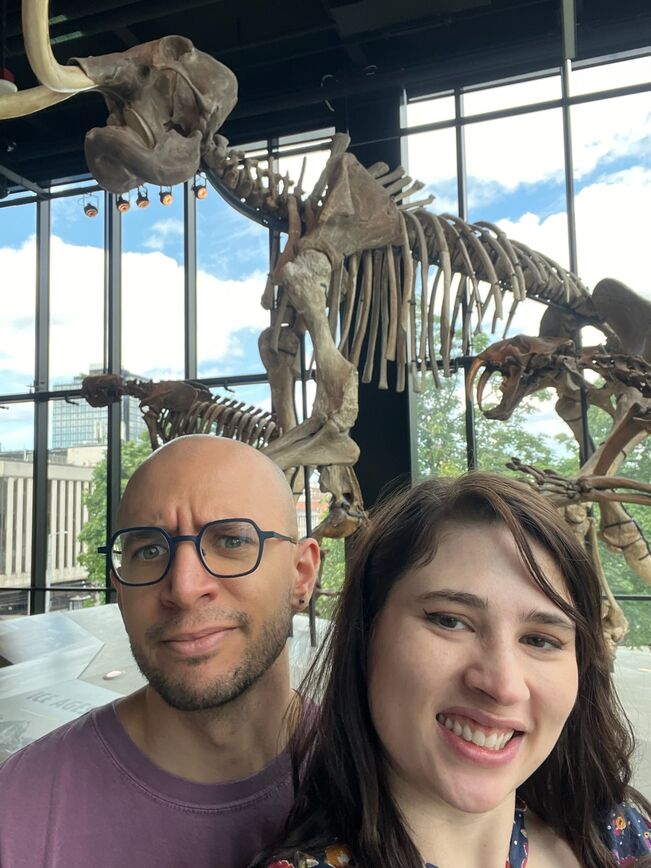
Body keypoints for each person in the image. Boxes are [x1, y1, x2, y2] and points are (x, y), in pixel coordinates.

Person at [254, 472, 651, 868]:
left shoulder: (621, 836)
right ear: (366, 634)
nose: (503, 685)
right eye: (450, 621)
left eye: (540, 640)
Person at [0, 434, 320, 868]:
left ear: (301, 576)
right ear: (119, 585)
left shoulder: (388, 780)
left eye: (231, 542)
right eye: (149, 550)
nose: (185, 589)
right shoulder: (18, 812)